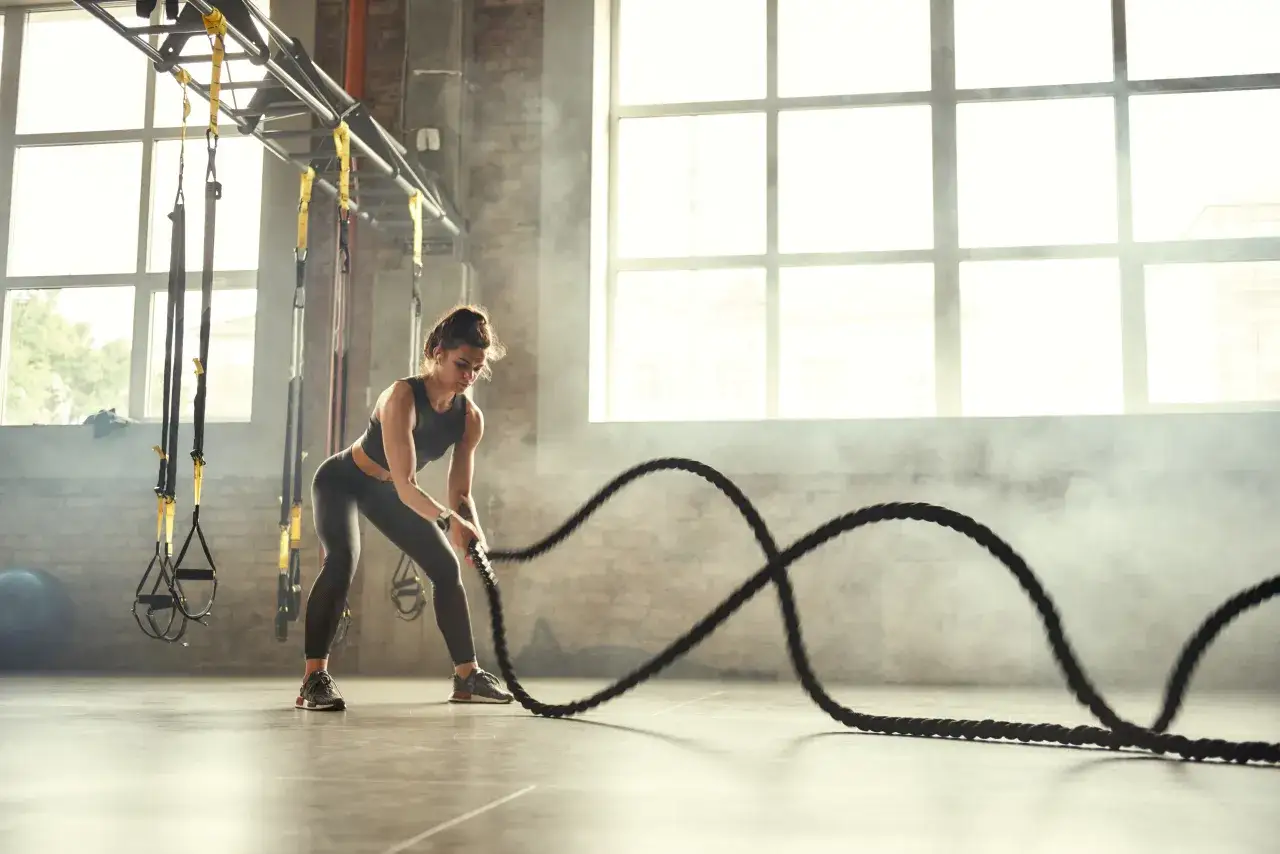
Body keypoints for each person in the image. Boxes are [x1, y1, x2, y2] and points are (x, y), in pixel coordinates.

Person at [295, 304, 515, 711]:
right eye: (462, 364)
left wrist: (474, 535)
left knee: (446, 567)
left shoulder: (470, 418)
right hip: (343, 480)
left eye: (476, 368)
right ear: (437, 353)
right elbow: (407, 485)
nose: (468, 376)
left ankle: (467, 677)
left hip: (387, 492)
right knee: (342, 560)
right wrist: (450, 521)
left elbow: (460, 494)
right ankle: (313, 678)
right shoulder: (402, 397)